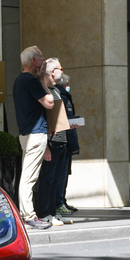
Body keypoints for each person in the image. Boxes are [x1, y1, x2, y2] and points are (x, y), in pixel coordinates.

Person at [13, 46, 54, 229]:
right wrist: (43, 79)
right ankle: (29, 215)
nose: (43, 60)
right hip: (35, 134)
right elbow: (49, 102)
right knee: (29, 178)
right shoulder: (31, 80)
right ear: (33, 61)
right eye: (40, 57)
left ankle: (26, 214)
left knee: (27, 176)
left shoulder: (19, 80)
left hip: (26, 133)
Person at [35, 58, 72, 226]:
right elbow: (42, 118)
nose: (62, 71)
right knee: (47, 179)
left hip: (61, 141)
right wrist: (46, 146)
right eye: (60, 68)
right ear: (52, 72)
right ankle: (44, 213)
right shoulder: (45, 91)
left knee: (56, 179)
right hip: (51, 142)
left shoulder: (56, 90)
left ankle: (53, 212)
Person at [55, 73, 80, 214]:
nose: (69, 86)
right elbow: (65, 122)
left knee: (64, 174)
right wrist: (74, 145)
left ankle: (61, 201)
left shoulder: (63, 96)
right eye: (68, 83)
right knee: (61, 175)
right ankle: (59, 203)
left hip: (65, 140)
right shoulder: (63, 97)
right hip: (63, 141)